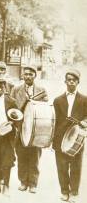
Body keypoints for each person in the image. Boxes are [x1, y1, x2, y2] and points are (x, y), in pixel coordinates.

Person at [10, 65, 48, 193]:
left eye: (30, 74)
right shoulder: (16, 89)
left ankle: (33, 183)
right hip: (21, 128)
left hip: (36, 129)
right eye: (25, 74)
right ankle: (23, 181)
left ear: (35, 76)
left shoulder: (41, 90)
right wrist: (24, 103)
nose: (28, 77)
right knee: (21, 154)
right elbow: (11, 108)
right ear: (22, 75)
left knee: (35, 155)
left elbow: (46, 108)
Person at [53, 69, 87, 202]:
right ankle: (64, 191)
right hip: (60, 137)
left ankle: (74, 192)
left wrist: (84, 122)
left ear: (78, 82)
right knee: (61, 166)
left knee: (76, 166)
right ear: (65, 81)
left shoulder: (85, 99)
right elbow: (54, 120)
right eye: (69, 80)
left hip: (77, 138)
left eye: (74, 80)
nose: (71, 82)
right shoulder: (57, 100)